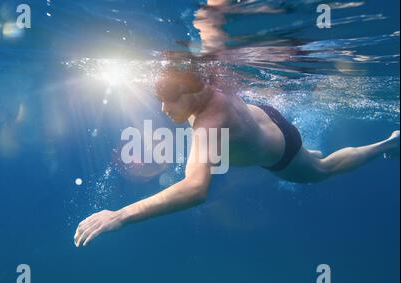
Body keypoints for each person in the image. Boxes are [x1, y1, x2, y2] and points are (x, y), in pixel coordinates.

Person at [74, 67, 399, 247]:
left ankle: (387, 144)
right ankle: (303, 152)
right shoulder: (203, 82)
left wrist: (120, 215)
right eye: (159, 99)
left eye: (169, 100)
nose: (163, 109)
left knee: (321, 170)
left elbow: (195, 189)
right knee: (243, 158)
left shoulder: (209, 123)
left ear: (190, 92)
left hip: (279, 152)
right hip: (263, 121)